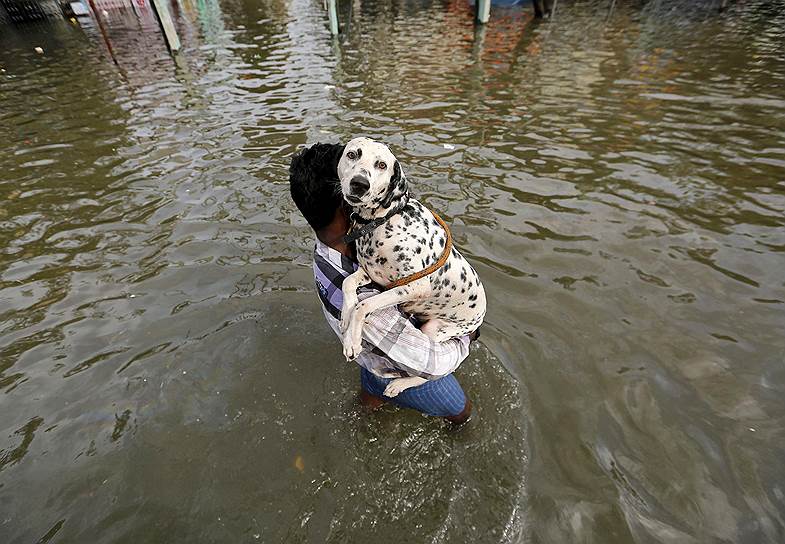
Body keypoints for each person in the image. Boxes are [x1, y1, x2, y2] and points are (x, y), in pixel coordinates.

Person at [289, 143, 475, 424]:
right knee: (462, 414)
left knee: (367, 406)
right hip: (396, 362)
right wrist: (467, 337)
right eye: (352, 163)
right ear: (349, 198)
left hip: (370, 354)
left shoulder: (333, 248)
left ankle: (360, 417)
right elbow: (432, 363)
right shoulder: (362, 301)